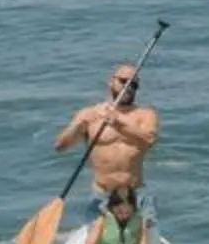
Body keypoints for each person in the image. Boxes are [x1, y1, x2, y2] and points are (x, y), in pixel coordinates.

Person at [53, 61, 158, 196]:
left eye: (133, 84)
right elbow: (60, 146)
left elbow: (150, 139)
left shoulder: (145, 114)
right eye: (123, 81)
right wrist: (77, 125)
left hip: (135, 192)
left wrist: (119, 123)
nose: (128, 87)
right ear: (111, 81)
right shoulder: (90, 113)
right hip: (103, 194)